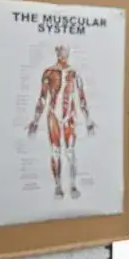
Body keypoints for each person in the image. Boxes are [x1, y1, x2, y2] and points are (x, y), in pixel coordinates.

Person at [26, 43, 96, 200]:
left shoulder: (74, 74)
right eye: (60, 50)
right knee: (55, 151)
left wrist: (88, 120)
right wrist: (35, 121)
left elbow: (82, 98)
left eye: (64, 50)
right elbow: (42, 98)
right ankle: (58, 186)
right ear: (57, 53)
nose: (62, 54)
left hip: (69, 116)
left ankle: (72, 185)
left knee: (70, 152)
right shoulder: (49, 72)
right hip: (54, 116)